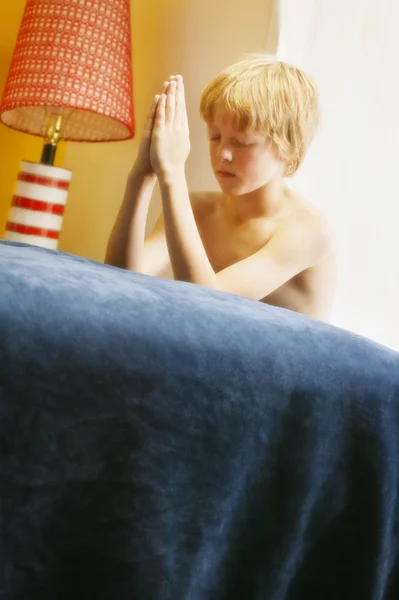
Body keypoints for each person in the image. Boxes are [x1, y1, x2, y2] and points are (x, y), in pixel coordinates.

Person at [105, 54, 336, 320]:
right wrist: (142, 177)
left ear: (289, 148)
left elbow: (206, 305)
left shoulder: (306, 231)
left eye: (243, 142)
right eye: (215, 136)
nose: (222, 154)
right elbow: (120, 278)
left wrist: (172, 173)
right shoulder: (200, 211)